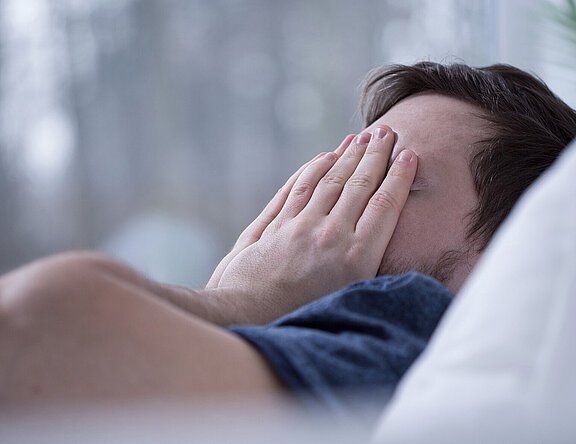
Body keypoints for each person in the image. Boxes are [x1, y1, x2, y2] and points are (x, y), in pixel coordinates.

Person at [1, 62, 575, 413]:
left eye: (382, 180)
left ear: (510, 247)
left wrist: (243, 301)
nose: (319, 209)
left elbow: (29, 330)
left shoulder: (410, 323)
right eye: (339, 174)